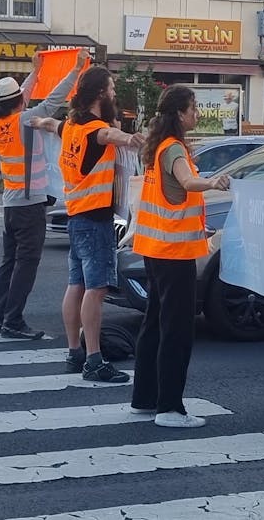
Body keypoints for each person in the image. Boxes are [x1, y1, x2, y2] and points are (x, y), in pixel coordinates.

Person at [129, 85, 231, 428]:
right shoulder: (173, 150)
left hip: (155, 250)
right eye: (193, 108)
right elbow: (187, 183)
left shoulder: (159, 147)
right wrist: (214, 182)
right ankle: (170, 408)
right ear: (179, 113)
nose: (197, 114)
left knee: (155, 324)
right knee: (177, 330)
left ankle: (144, 398)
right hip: (174, 253)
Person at [0, 58, 83, 341]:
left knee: (9, 262)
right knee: (26, 264)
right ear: (18, 101)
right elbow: (53, 101)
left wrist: (37, 71)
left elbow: (22, 96)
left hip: (11, 204)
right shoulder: (27, 120)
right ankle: (13, 320)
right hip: (30, 204)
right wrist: (75, 70)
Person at [58, 65, 144, 384]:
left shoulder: (71, 126)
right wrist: (130, 138)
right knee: (96, 289)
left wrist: (38, 121)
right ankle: (94, 360)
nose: (113, 94)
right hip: (95, 220)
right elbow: (108, 135)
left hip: (76, 216)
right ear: (99, 94)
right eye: (110, 89)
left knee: (76, 285)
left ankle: (74, 353)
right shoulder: (95, 128)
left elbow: (52, 124)